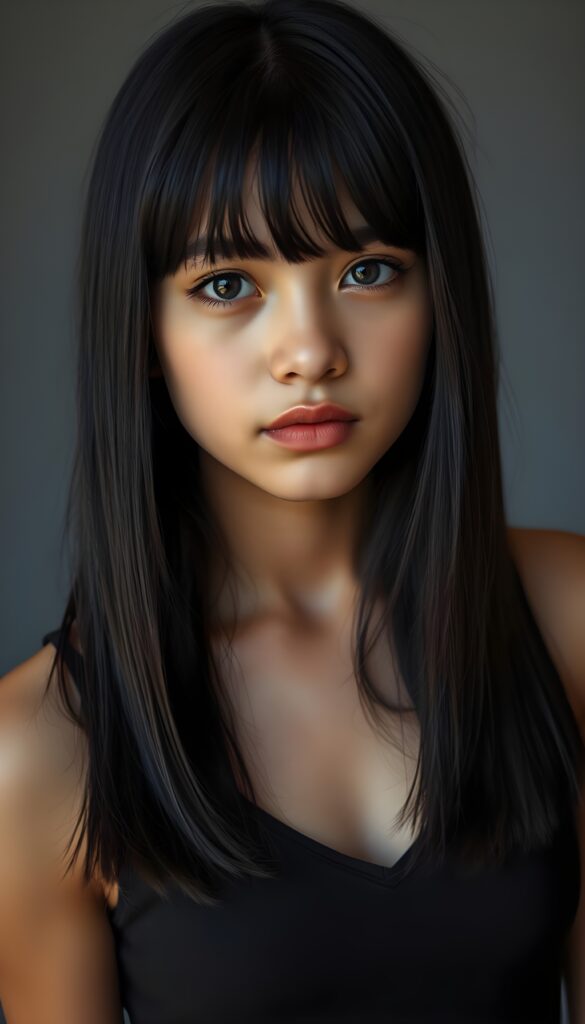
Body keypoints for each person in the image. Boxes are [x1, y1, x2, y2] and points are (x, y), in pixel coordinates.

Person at [0, 0, 583, 1020]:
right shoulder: (41, 751)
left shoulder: (565, 616)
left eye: (368, 271)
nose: (310, 351)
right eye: (228, 284)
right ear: (142, 328)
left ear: (439, 294)